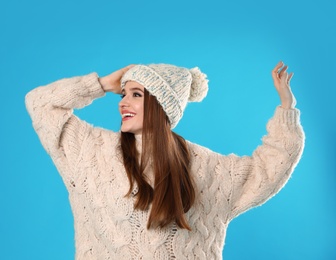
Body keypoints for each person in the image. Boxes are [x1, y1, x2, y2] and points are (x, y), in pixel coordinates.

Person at [25, 61, 305, 259]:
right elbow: (39, 103)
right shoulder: (89, 150)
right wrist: (101, 84)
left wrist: (287, 107)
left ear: (163, 106)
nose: (122, 102)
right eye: (123, 94)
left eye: (136, 95)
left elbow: (268, 168)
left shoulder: (205, 166)